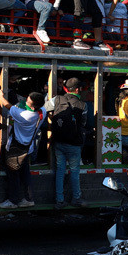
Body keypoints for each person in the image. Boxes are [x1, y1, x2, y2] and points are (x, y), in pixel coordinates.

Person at [0, 88, 46, 209]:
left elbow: (7, 105)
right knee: (25, 173)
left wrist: (0, 95)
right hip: (28, 149)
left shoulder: (25, 115)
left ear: (33, 107)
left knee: (13, 174)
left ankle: (12, 201)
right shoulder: (42, 111)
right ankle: (28, 199)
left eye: (27, 101)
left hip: (16, 149)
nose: (25, 101)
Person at [47, 78, 88, 208]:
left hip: (58, 141)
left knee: (60, 170)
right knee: (74, 171)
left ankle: (59, 200)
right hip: (74, 143)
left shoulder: (57, 100)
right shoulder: (83, 105)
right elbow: (84, 123)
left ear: (66, 89)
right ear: (77, 89)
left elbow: (44, 108)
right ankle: (76, 198)